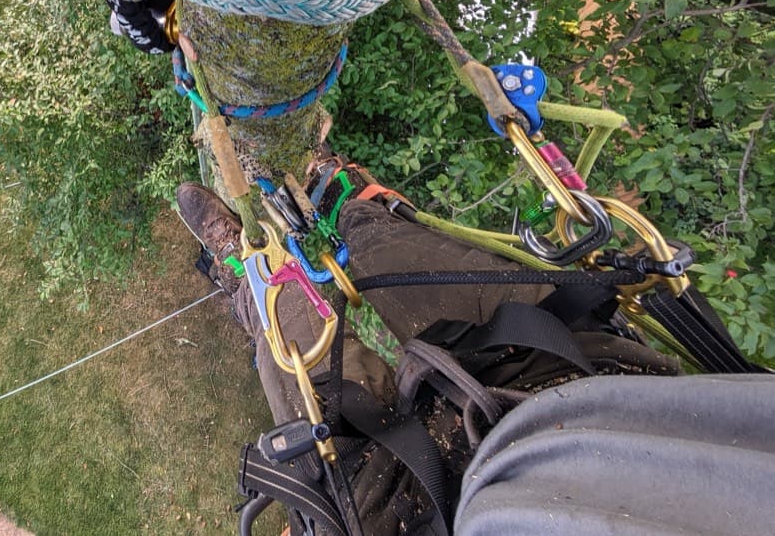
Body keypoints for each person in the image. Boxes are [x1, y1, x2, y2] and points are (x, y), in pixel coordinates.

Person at [177, 158, 775, 535]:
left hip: (401, 516)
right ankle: (344, 200)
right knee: (388, 251)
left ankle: (247, 276)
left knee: (286, 338)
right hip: (581, 381)